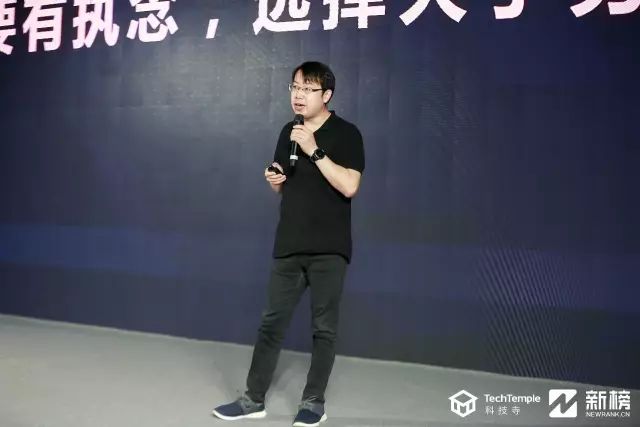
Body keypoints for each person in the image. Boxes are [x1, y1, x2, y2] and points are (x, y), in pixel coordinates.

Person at [212, 61, 365, 427]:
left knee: (323, 329)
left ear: (327, 95)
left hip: (329, 247)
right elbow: (287, 183)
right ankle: (253, 400)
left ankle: (313, 404)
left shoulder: (347, 133)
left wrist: (314, 149)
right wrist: (275, 179)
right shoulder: (288, 130)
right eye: (295, 87)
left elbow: (349, 186)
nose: (299, 95)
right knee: (271, 323)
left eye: (308, 89)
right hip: (290, 242)